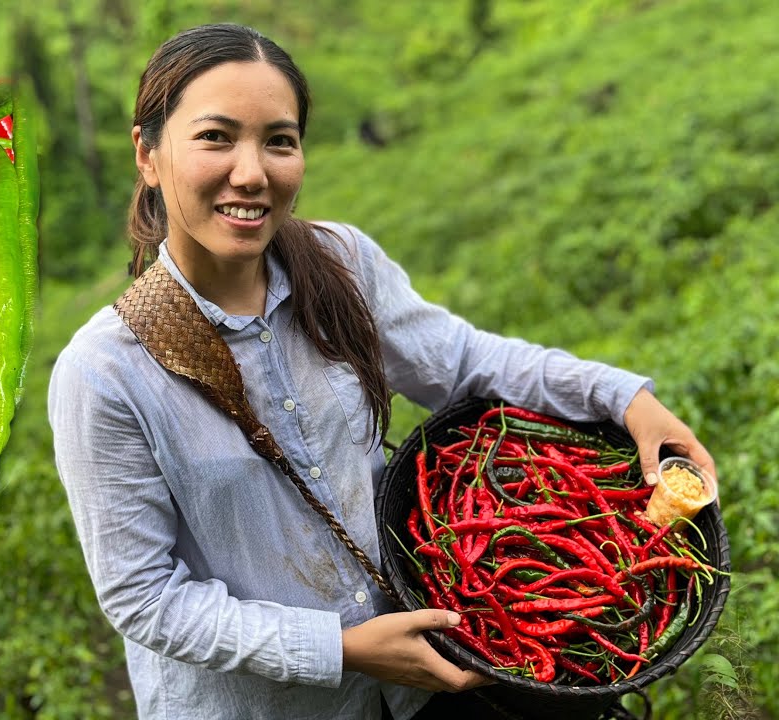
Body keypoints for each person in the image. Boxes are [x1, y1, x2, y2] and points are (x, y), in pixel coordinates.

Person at [46, 23, 715, 720]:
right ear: (147, 153)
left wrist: (624, 397)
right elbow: (146, 597)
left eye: (279, 140)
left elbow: (463, 363)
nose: (252, 173)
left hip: (419, 684)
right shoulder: (104, 374)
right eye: (215, 137)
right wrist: (341, 647)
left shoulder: (342, 264)